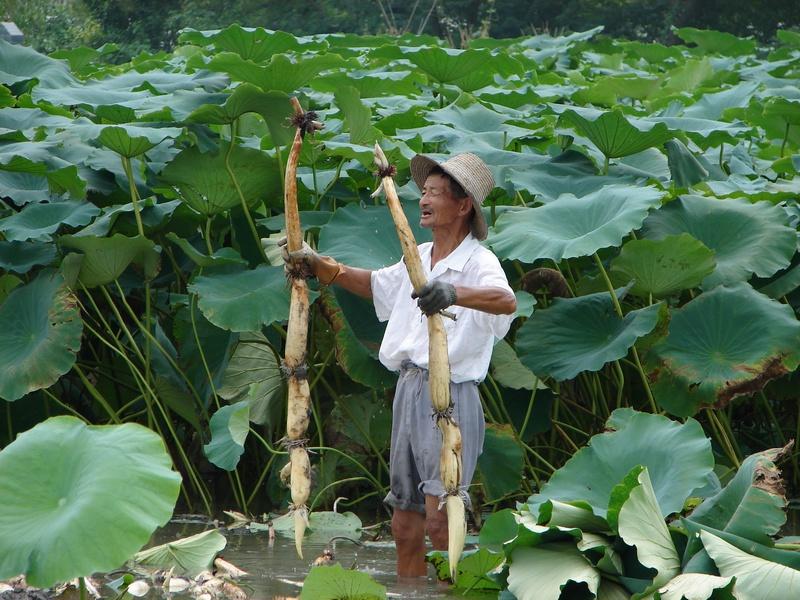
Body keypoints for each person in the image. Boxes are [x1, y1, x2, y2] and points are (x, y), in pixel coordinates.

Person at [280, 152, 516, 577]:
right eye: (423, 192)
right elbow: (374, 285)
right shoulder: (418, 255)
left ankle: (457, 589)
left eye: (436, 194)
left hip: (452, 397)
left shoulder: (480, 262)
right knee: (405, 523)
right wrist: (320, 266)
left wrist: (453, 292)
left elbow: (506, 301)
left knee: (443, 519)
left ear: (464, 206)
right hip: (409, 391)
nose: (424, 201)